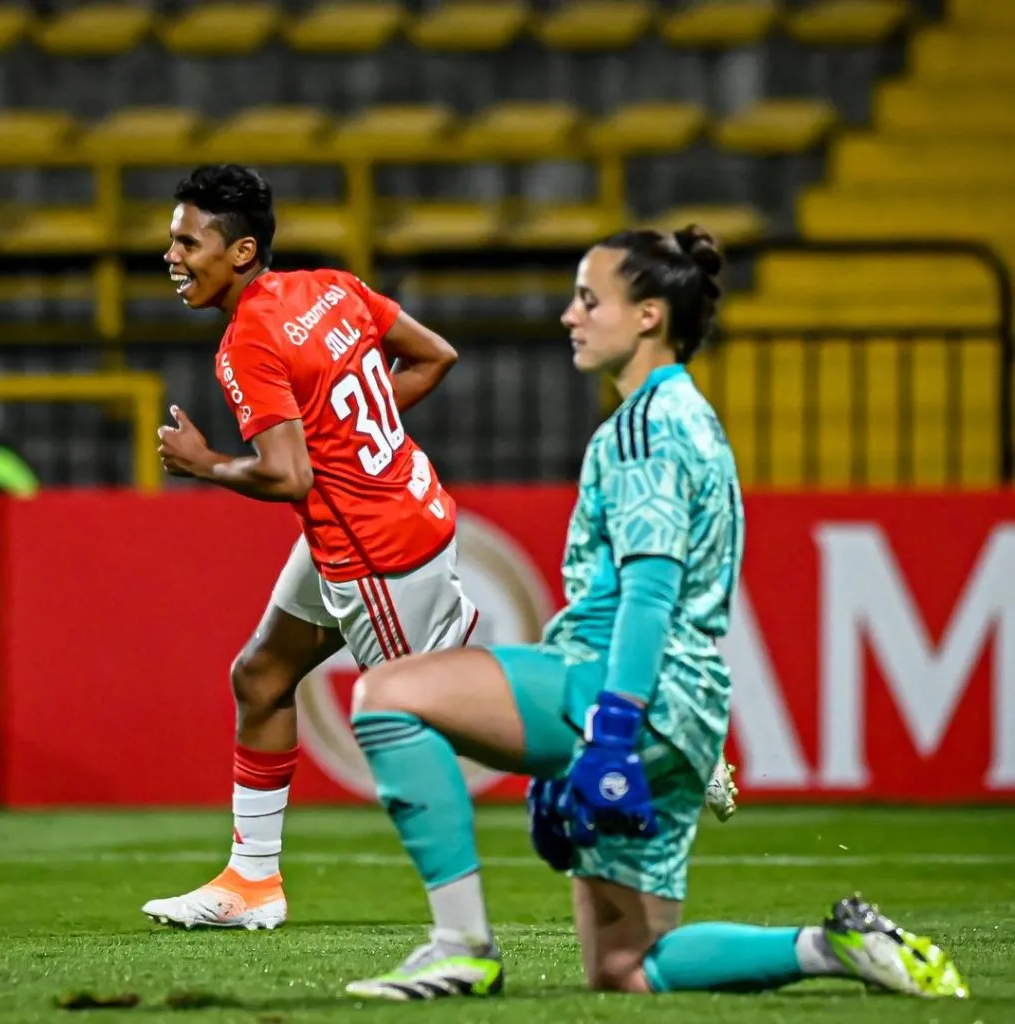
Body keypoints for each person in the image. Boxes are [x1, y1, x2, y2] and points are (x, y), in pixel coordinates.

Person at [339, 225, 969, 1001]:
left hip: (628, 684)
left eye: (588, 298)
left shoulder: (645, 426)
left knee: (386, 697)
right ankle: (832, 946)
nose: (570, 316)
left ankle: (459, 945)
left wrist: (610, 726)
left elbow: (648, 590)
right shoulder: (691, 417)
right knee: (628, 967)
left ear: (648, 317)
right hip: (690, 705)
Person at [141, 163, 478, 931]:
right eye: (172, 240)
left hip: (379, 555)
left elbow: (288, 477)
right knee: (261, 675)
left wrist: (205, 465)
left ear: (242, 250)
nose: (173, 256)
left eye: (188, 241)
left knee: (420, 729)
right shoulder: (333, 286)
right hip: (374, 517)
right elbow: (435, 356)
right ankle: (251, 881)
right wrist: (354, 441)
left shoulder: (246, 342)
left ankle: (628, 744)